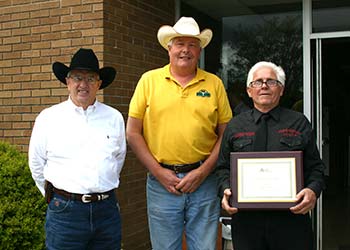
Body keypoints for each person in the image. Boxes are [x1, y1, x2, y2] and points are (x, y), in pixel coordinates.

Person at [126, 17, 232, 250]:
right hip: (161, 182)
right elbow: (132, 132)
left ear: (199, 49)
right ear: (169, 48)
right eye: (180, 43)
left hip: (204, 182)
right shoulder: (149, 81)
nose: (186, 50)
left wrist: (203, 172)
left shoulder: (213, 84)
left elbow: (226, 134)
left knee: (204, 247)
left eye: (192, 44)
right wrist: (159, 172)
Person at [215, 61, 325, 250]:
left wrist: (312, 191)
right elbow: (223, 167)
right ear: (249, 91)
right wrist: (225, 189)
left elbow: (316, 168)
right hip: (246, 223)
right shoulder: (235, 125)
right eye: (257, 82)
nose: (264, 85)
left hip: (291, 221)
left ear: (281, 90)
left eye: (271, 82)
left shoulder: (298, 122)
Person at [28, 48, 126, 250]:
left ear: (99, 84)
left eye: (91, 78)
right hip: (65, 213)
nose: (83, 84)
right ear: (67, 81)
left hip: (106, 211)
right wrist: (54, 197)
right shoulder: (48, 118)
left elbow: (117, 159)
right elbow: (36, 164)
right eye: (77, 78)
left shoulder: (114, 117)